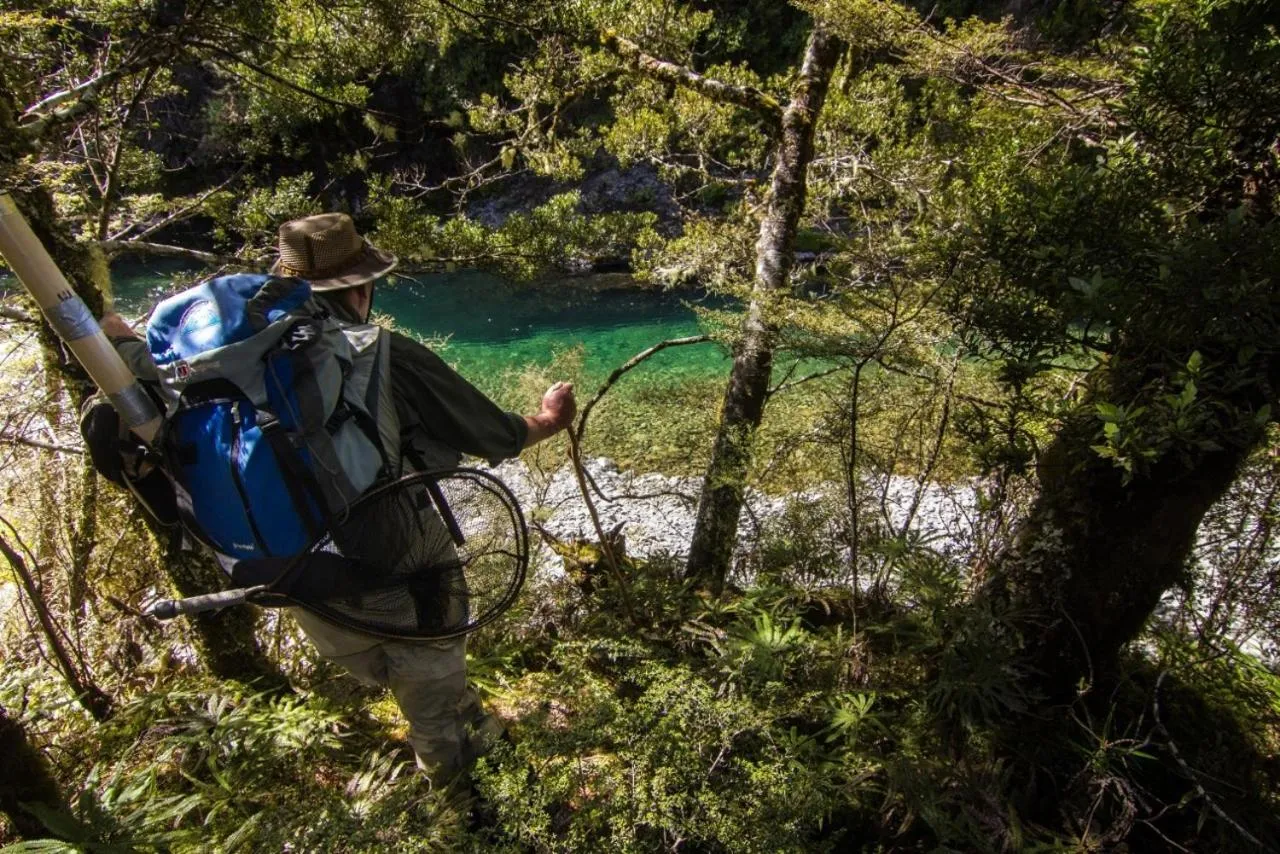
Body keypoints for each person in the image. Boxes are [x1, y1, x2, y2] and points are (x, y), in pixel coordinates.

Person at [100, 211, 576, 784]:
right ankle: (465, 806)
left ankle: (456, 721)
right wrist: (548, 419)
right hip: (396, 559)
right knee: (431, 683)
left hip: (293, 568)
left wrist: (111, 326)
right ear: (363, 287)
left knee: (391, 667)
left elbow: (132, 375)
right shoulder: (381, 352)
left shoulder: (200, 366)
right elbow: (492, 434)